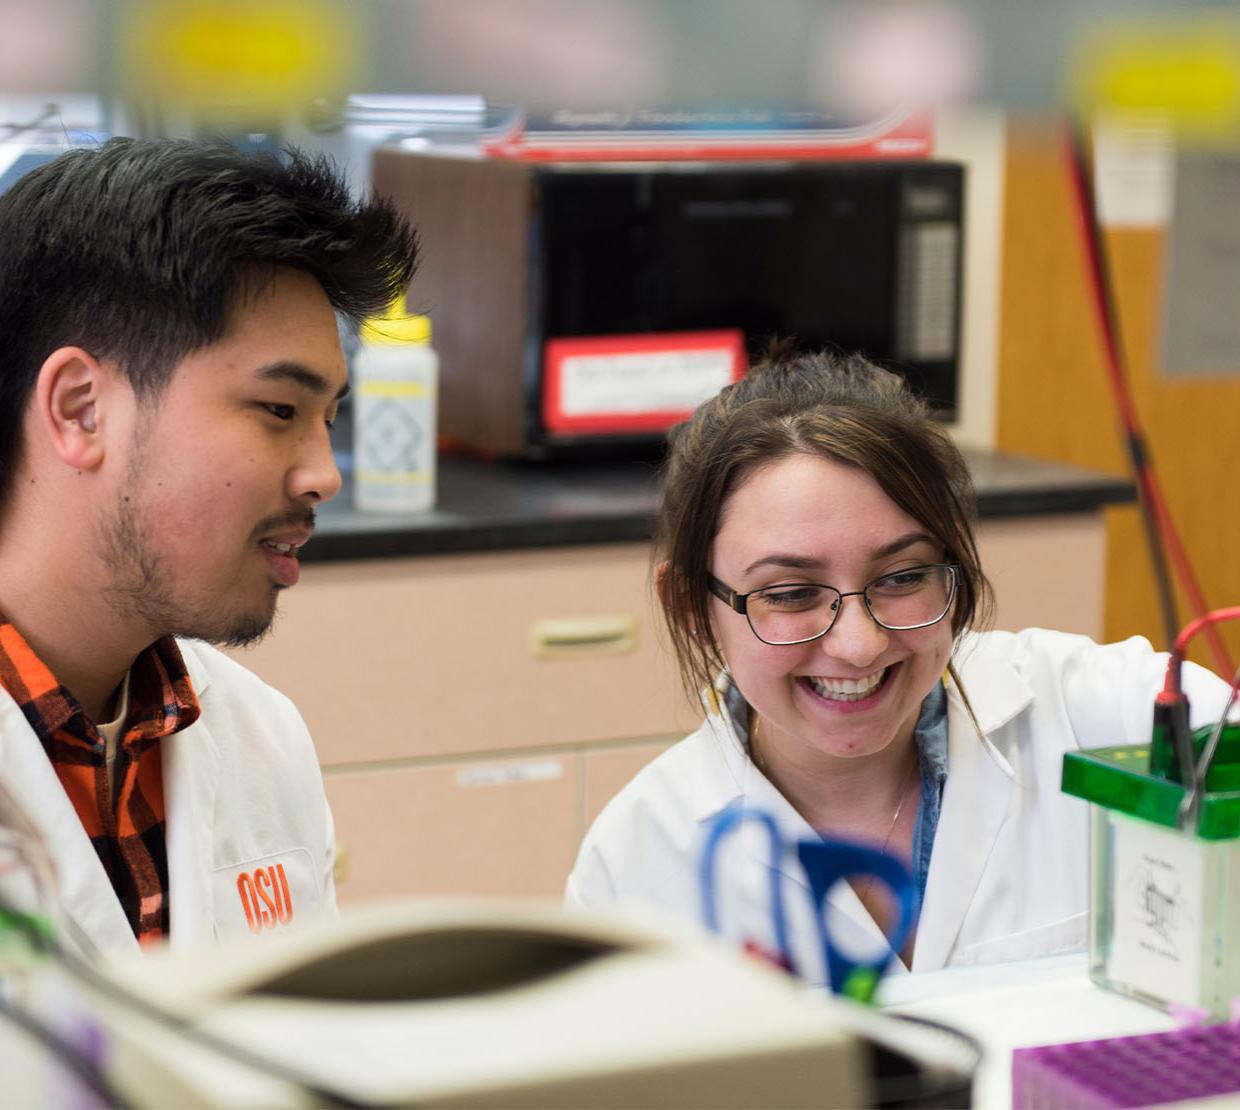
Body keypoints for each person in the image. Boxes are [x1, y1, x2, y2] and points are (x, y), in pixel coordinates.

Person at [565, 349, 1233, 982]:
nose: (858, 644)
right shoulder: (638, 862)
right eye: (792, 594)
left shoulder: (1104, 712)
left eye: (903, 575)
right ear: (690, 605)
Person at [0, 137, 418, 956]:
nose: (324, 476)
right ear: (81, 408)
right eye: (277, 410)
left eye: (329, 417)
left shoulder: (260, 736)